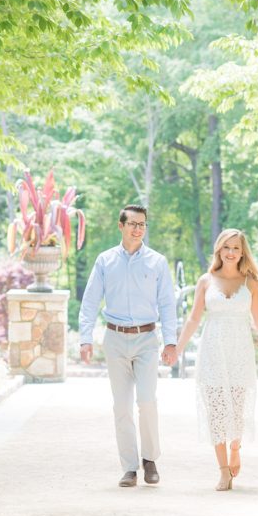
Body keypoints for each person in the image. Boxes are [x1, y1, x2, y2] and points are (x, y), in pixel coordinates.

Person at [175, 229, 258, 491]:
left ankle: (236, 447)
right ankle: (223, 470)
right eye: (226, 248)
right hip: (212, 350)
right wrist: (177, 350)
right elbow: (193, 319)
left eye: (236, 248)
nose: (231, 252)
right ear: (219, 251)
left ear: (242, 252)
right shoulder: (205, 281)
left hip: (239, 352)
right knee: (216, 412)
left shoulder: (251, 283)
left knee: (236, 407)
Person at [79, 204, 178, 488]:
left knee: (146, 401)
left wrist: (170, 342)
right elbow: (89, 301)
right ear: (120, 225)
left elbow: (167, 304)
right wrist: (85, 338)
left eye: (142, 224)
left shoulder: (157, 262)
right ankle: (130, 467)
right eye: (132, 223)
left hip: (147, 339)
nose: (138, 229)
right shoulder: (105, 261)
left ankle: (150, 459)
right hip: (115, 339)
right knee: (121, 406)